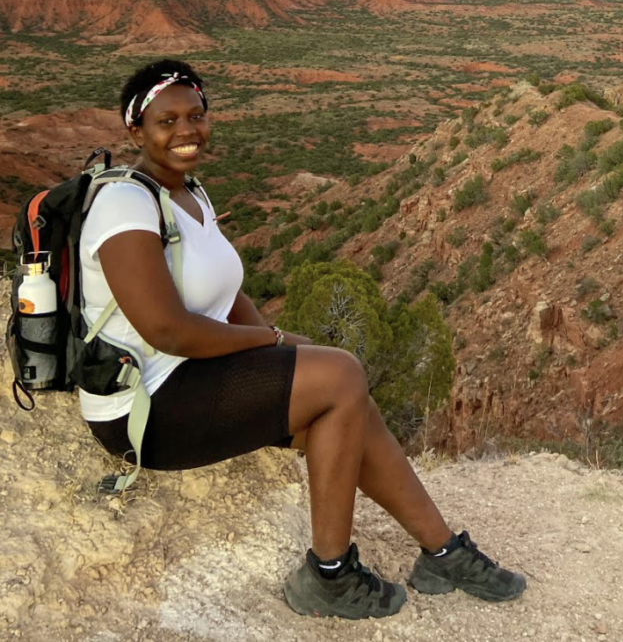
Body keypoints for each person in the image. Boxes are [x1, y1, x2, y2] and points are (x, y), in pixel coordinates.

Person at [81, 59, 525, 619]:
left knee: (345, 394)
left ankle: (442, 552)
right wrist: (270, 341)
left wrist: (285, 342)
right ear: (135, 131)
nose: (186, 131)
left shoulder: (191, 194)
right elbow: (166, 329)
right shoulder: (124, 204)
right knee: (340, 376)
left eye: (196, 115)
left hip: (191, 380)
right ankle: (329, 576)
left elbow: (224, 298)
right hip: (145, 407)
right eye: (166, 121)